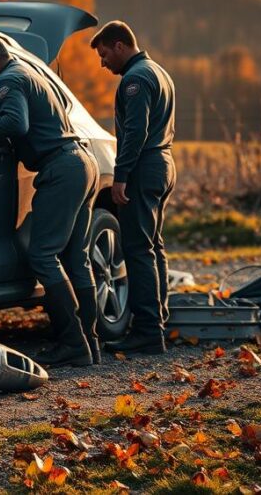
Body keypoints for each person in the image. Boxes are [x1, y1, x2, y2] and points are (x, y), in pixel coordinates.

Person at [0, 38, 100, 367]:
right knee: (75, 258)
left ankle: (72, 343)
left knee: (43, 255)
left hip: (61, 170)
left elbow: (15, 124)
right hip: (81, 162)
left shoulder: (9, 80)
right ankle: (90, 343)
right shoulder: (28, 72)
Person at [90, 20, 176, 355]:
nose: (103, 62)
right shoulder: (160, 72)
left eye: (104, 53)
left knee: (138, 249)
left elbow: (136, 132)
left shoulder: (135, 80)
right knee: (154, 246)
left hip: (143, 167)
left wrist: (121, 174)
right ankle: (158, 322)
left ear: (120, 45)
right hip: (164, 163)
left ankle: (147, 332)